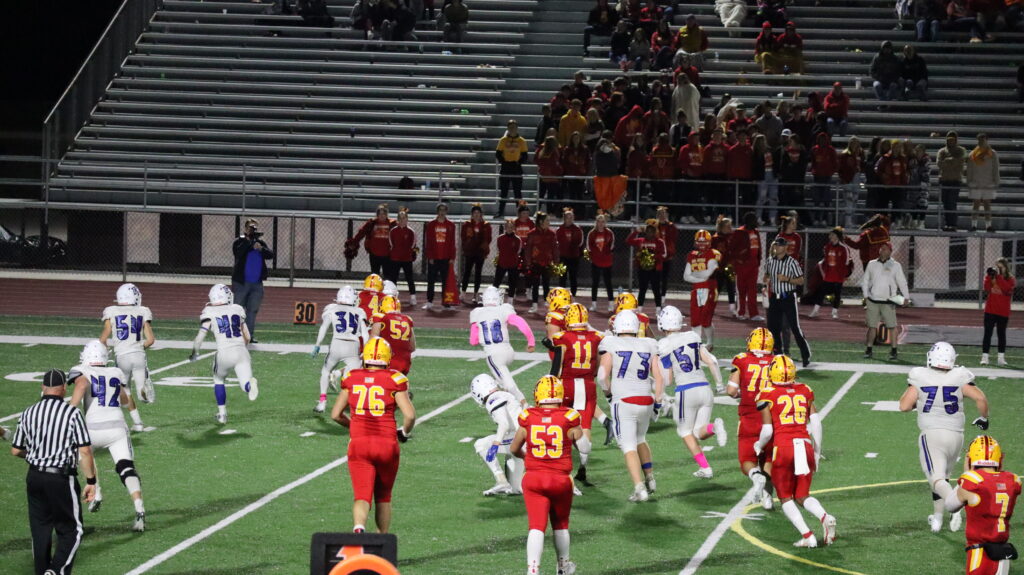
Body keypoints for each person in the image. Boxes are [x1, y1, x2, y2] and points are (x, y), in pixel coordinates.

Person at [10, 369, 98, 575]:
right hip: (60, 477)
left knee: (40, 532)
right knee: (72, 531)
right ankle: (56, 570)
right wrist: (91, 481)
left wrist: (36, 456)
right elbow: (84, 450)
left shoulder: (28, 412)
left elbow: (16, 450)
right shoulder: (71, 413)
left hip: (34, 477)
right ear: (64, 388)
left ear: (43, 387)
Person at [902, 341, 991, 532]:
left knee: (936, 479)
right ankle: (937, 518)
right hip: (956, 435)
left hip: (932, 434)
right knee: (943, 479)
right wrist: (984, 418)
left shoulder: (920, 375)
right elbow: (980, 398)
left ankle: (956, 506)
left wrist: (919, 400)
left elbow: (904, 406)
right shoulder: (959, 375)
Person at [332, 338, 416, 534]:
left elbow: (336, 415)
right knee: (383, 497)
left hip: (359, 444)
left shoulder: (351, 377)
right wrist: (404, 432)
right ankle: (382, 541)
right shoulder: (395, 379)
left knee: (362, 496)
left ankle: (359, 528)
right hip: (386, 444)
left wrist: (355, 427)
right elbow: (410, 416)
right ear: (387, 358)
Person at [754, 355, 836, 548]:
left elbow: (768, 431)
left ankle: (808, 536)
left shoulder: (766, 394)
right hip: (804, 444)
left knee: (785, 497)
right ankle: (825, 516)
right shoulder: (805, 390)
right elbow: (816, 423)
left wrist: (758, 445)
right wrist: (817, 451)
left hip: (783, 447)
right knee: (802, 494)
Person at [67, 341, 146, 531]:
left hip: (92, 428)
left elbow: (80, 386)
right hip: (117, 427)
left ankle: (96, 491)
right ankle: (139, 508)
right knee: (126, 467)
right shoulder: (115, 372)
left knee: (85, 454)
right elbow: (125, 401)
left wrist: (68, 410)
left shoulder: (81, 370)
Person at [510, 376, 583, 575]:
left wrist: (528, 458)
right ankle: (563, 566)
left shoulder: (528, 416)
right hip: (560, 479)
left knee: (536, 527)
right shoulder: (569, 416)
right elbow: (583, 446)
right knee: (561, 525)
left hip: (534, 478)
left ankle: (533, 570)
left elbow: (514, 448)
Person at [599, 310, 664, 502]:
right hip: (646, 400)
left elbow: (602, 376)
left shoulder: (611, 343)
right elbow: (660, 377)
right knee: (640, 438)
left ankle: (639, 488)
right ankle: (650, 478)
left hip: (624, 401)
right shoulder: (649, 343)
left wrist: (609, 395)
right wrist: (658, 402)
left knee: (628, 446)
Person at [657, 306, 727, 479]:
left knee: (685, 432)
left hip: (685, 391)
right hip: (705, 388)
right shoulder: (692, 336)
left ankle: (705, 467)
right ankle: (714, 428)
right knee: (698, 432)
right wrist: (719, 385)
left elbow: (668, 380)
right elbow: (711, 361)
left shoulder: (663, 344)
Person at [944, 435, 1021, 575]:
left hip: (980, 554)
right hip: (1003, 553)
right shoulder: (1013, 480)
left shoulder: (972, 481)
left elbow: (950, 505)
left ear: (971, 458)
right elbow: (995, 482)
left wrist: (966, 472)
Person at [546, 303, 605, 485]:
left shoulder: (561, 337)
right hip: (587, 385)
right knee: (585, 426)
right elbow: (598, 364)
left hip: (567, 383)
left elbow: (558, 364)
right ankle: (583, 467)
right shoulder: (596, 337)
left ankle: (559, 463)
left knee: (561, 423)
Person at [189, 284, 258, 424]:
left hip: (224, 352)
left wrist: (195, 352)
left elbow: (200, 336)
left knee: (218, 379)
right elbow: (247, 337)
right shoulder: (237, 309)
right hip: (241, 351)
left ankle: (222, 414)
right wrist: (241, 349)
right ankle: (250, 385)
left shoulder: (209, 311)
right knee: (245, 385)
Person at [727, 328, 777, 509]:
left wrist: (744, 393)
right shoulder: (777, 362)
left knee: (747, 460)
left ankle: (756, 477)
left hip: (749, 416)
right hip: (771, 417)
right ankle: (768, 498)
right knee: (768, 458)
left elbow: (731, 390)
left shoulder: (742, 359)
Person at [99, 283, 153, 432]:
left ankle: (137, 423)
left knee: (125, 391)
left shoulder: (111, 311)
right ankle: (142, 391)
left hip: (122, 356)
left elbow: (103, 338)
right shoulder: (143, 311)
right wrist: (138, 347)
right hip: (139, 355)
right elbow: (150, 340)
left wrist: (106, 349)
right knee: (139, 387)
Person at [470, 285, 536, 404]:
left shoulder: (477, 313)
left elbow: (473, 341)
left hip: (494, 355)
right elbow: (521, 324)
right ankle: (511, 404)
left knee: (509, 385)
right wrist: (531, 341)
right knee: (502, 382)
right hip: (508, 352)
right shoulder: (504, 309)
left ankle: (525, 406)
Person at [311, 286, 369, 413]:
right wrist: (366, 350)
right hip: (353, 347)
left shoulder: (331, 308)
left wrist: (317, 344)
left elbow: (323, 328)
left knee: (326, 371)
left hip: (337, 344)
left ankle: (322, 402)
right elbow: (365, 334)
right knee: (355, 376)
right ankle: (355, 403)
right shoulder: (359, 311)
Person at [469, 374, 524, 496]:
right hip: (525, 439)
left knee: (481, 444)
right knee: (516, 489)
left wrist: (495, 444)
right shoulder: (504, 395)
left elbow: (504, 424)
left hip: (520, 441)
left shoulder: (493, 399)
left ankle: (501, 481)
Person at [763, 237, 812, 367]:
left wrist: (787, 279)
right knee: (773, 327)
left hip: (788, 297)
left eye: (779, 245)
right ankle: (778, 353)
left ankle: (805, 354)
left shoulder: (792, 262)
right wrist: (766, 281)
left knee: (794, 327)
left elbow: (801, 280)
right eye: (776, 245)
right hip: (774, 297)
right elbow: (766, 275)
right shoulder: (770, 261)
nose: (777, 247)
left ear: (785, 247)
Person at [861, 242, 910, 360]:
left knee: (892, 327)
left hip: (889, 301)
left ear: (890, 251)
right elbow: (865, 280)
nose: (882, 250)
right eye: (881, 248)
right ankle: (869, 349)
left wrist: (906, 297)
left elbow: (902, 282)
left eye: (885, 248)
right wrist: (866, 296)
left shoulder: (896, 265)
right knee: (872, 327)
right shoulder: (872, 264)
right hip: (873, 300)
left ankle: (894, 351)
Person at [231, 217, 275, 343]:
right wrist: (248, 242)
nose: (253, 229)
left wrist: (260, 248)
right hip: (241, 282)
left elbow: (270, 255)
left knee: (252, 311)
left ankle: (249, 336)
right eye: (251, 227)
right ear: (245, 228)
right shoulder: (239, 241)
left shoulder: (260, 243)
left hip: (257, 284)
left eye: (255, 227)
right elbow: (238, 253)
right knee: (237, 310)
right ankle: (235, 335)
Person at [683, 229, 722, 349]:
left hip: (710, 288)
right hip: (696, 290)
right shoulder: (692, 255)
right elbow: (686, 276)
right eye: (699, 241)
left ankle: (709, 343)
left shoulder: (713, 253)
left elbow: (708, 274)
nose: (701, 244)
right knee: (695, 319)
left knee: (705, 319)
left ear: (709, 242)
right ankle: (696, 344)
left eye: (704, 241)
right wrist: (701, 277)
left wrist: (694, 275)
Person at [810, 228, 852, 320]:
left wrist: (844, 275)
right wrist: (825, 272)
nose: (830, 236)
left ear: (837, 236)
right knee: (821, 293)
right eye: (830, 235)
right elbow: (826, 260)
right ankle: (815, 310)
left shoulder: (843, 248)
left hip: (838, 276)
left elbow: (846, 262)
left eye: (832, 235)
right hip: (829, 275)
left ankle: (834, 312)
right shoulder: (828, 247)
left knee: (837, 294)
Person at [626, 220, 668, 310]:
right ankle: (639, 309)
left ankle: (658, 309)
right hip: (642, 269)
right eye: (648, 231)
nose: (649, 233)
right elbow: (628, 241)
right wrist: (636, 232)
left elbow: (664, 255)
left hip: (655, 269)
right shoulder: (641, 240)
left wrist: (652, 257)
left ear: (655, 232)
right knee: (642, 289)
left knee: (656, 290)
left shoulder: (660, 242)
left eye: (651, 231)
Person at [370, 295, 416, 375]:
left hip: (387, 360)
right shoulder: (408, 319)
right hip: (405, 361)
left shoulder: (380, 317)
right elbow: (412, 347)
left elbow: (372, 342)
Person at [423, 203, 457, 311]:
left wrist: (452, 257)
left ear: (446, 211)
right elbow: (428, 242)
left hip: (446, 258)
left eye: (444, 210)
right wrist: (430, 256)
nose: (442, 212)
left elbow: (452, 242)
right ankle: (429, 301)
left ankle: (446, 303)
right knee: (431, 280)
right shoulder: (431, 225)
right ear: (437, 211)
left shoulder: (451, 225)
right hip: (434, 258)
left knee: (445, 282)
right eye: (440, 210)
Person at [731, 212, 764, 320]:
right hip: (742, 265)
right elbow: (732, 248)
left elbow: (758, 247)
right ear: (749, 221)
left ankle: (754, 314)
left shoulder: (756, 232)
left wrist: (758, 260)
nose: (756, 222)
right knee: (741, 290)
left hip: (754, 265)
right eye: (755, 220)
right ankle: (740, 313)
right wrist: (738, 260)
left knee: (752, 290)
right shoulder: (739, 232)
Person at [982, 258, 1015, 366]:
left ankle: (1001, 358)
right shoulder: (993, 277)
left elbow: (1006, 289)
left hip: (1003, 311)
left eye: (1000, 267)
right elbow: (987, 289)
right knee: (987, 334)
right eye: (997, 267)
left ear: (1005, 267)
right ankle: (985, 357)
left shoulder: (1011, 279)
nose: (998, 269)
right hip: (990, 310)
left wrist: (999, 277)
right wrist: (988, 277)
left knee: (1001, 334)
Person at [526, 212, 559, 314]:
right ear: (541, 222)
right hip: (535, 262)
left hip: (547, 262)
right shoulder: (532, 234)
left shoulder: (552, 233)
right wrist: (528, 262)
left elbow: (555, 248)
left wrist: (556, 261)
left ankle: (547, 304)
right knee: (535, 284)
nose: (549, 222)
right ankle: (534, 305)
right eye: (547, 220)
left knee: (546, 284)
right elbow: (528, 249)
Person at [966, 133, 1000, 233]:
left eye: (983, 139)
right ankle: (973, 225)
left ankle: (988, 226)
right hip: (976, 182)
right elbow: (969, 169)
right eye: (979, 140)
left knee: (987, 204)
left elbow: (996, 168)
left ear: (987, 140)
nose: (981, 141)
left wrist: (996, 181)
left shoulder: (992, 153)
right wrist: (969, 181)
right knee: (975, 204)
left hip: (988, 182)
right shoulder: (972, 154)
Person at [495, 120, 529, 219]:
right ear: (508, 128)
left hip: (516, 167)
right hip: (506, 167)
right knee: (503, 191)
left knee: (517, 192)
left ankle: (521, 212)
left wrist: (518, 162)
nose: (512, 129)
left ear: (517, 128)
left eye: (514, 127)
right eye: (510, 127)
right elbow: (498, 153)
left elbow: (525, 155)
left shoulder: (522, 141)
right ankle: (500, 211)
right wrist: (504, 161)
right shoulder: (503, 140)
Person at [351, 205, 395, 278]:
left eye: (384, 214)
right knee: (374, 276)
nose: (382, 216)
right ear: (377, 215)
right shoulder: (371, 223)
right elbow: (361, 232)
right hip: (374, 254)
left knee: (388, 276)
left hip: (387, 255)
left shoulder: (392, 224)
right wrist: (353, 242)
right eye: (380, 214)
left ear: (386, 215)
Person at [461, 204, 492, 303]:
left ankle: (475, 294)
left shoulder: (486, 225)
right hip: (470, 252)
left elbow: (488, 239)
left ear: (481, 214)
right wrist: (467, 246)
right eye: (474, 213)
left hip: (480, 252)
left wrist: (483, 248)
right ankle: (463, 292)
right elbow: (463, 237)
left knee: (478, 273)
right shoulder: (467, 224)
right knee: (467, 272)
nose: (476, 215)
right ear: (471, 214)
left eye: (478, 213)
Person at [937, 131, 967, 232]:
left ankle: (953, 224)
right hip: (944, 180)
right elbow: (939, 163)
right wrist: (952, 161)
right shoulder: (942, 151)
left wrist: (947, 161)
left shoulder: (961, 150)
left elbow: (961, 161)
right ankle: (947, 223)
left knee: (952, 202)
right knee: (945, 202)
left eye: (953, 139)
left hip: (955, 180)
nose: (951, 141)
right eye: (949, 139)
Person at [587, 212, 616, 312]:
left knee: (608, 283)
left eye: (602, 222)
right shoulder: (592, 233)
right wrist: (595, 256)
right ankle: (594, 304)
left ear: (605, 223)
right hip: (596, 262)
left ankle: (611, 304)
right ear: (596, 222)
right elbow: (589, 247)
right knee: (595, 283)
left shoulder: (609, 233)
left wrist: (605, 254)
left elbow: (612, 246)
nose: (600, 224)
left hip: (607, 262)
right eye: (599, 221)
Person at [810, 132, 838, 227]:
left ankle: (825, 219)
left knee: (826, 199)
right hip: (817, 177)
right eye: (820, 139)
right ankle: (817, 218)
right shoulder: (814, 149)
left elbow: (835, 163)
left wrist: (830, 172)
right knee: (816, 199)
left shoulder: (831, 150)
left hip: (827, 177)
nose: (822, 141)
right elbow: (813, 162)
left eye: (824, 139)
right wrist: (814, 171)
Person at [837, 137, 865, 228]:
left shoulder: (860, 153)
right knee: (848, 200)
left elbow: (862, 165)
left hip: (857, 177)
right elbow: (841, 168)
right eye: (853, 143)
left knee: (855, 199)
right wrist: (843, 179)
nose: (855, 145)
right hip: (848, 179)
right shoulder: (845, 154)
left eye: (856, 143)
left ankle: (851, 220)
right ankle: (847, 222)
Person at [556, 209, 584, 296]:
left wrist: (576, 252)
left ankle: (573, 295)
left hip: (574, 257)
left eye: (571, 217)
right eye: (567, 217)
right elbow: (556, 243)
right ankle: (562, 295)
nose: (569, 219)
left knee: (573, 277)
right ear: (564, 218)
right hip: (562, 257)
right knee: (562, 277)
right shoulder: (559, 230)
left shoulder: (578, 229)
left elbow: (581, 243)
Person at [494, 219, 523, 299]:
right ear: (505, 228)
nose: (509, 229)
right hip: (501, 263)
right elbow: (498, 250)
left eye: (511, 227)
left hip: (513, 264)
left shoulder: (518, 239)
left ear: (514, 228)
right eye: (508, 227)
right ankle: (493, 298)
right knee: (496, 282)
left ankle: (510, 300)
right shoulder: (500, 238)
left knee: (512, 283)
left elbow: (518, 251)